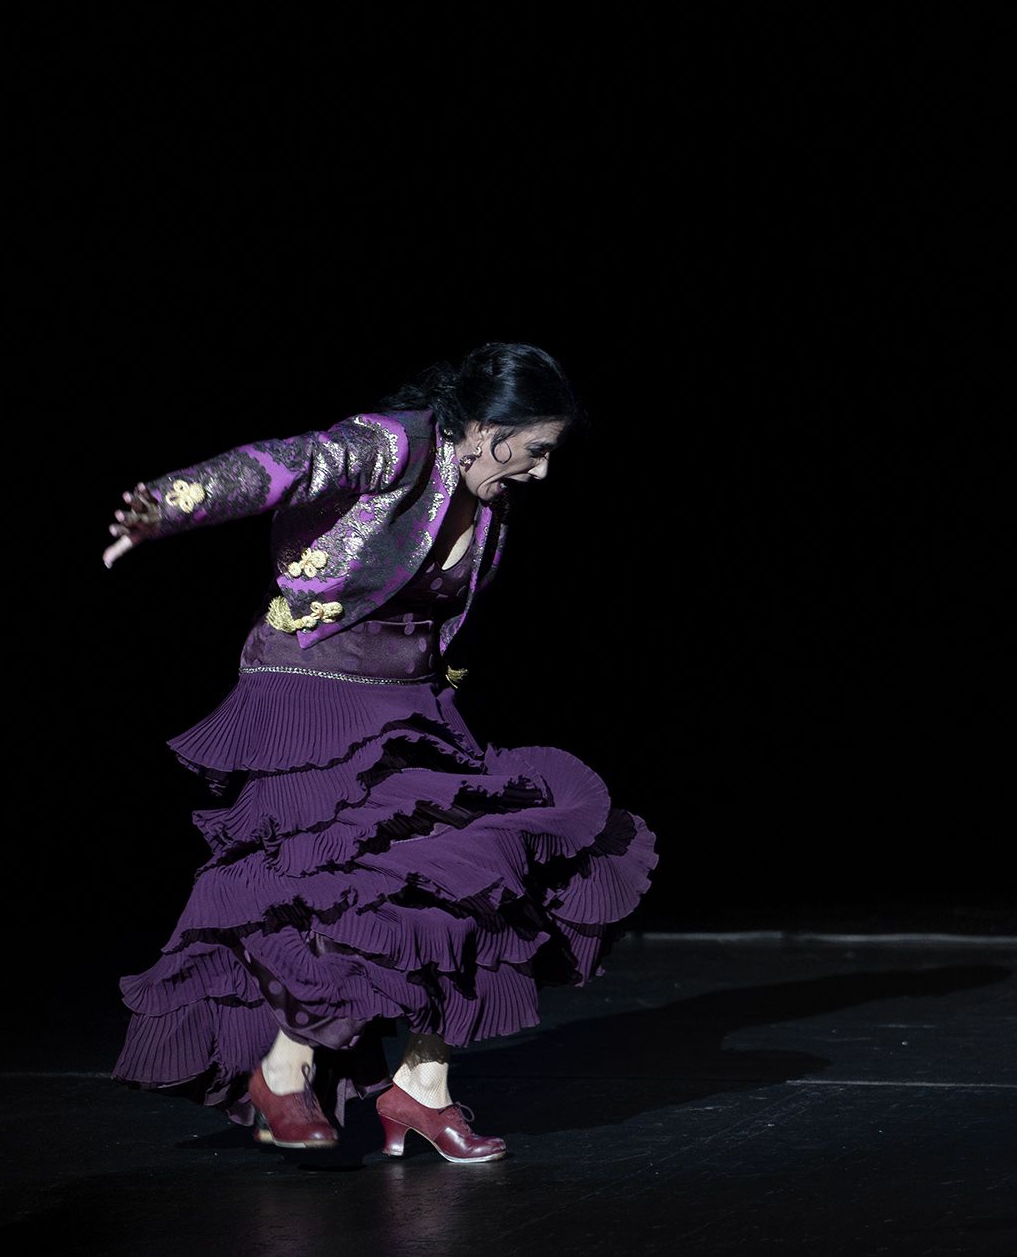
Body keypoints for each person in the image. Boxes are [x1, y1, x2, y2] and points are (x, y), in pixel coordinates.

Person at [107, 342, 657, 1162]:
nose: (541, 472)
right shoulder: (395, 444)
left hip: (408, 703)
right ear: (482, 426)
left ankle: (420, 1088)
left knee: (484, 872)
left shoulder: (491, 506)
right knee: (351, 887)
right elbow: (284, 467)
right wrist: (166, 504)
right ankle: (285, 1066)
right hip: (310, 687)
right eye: (534, 449)